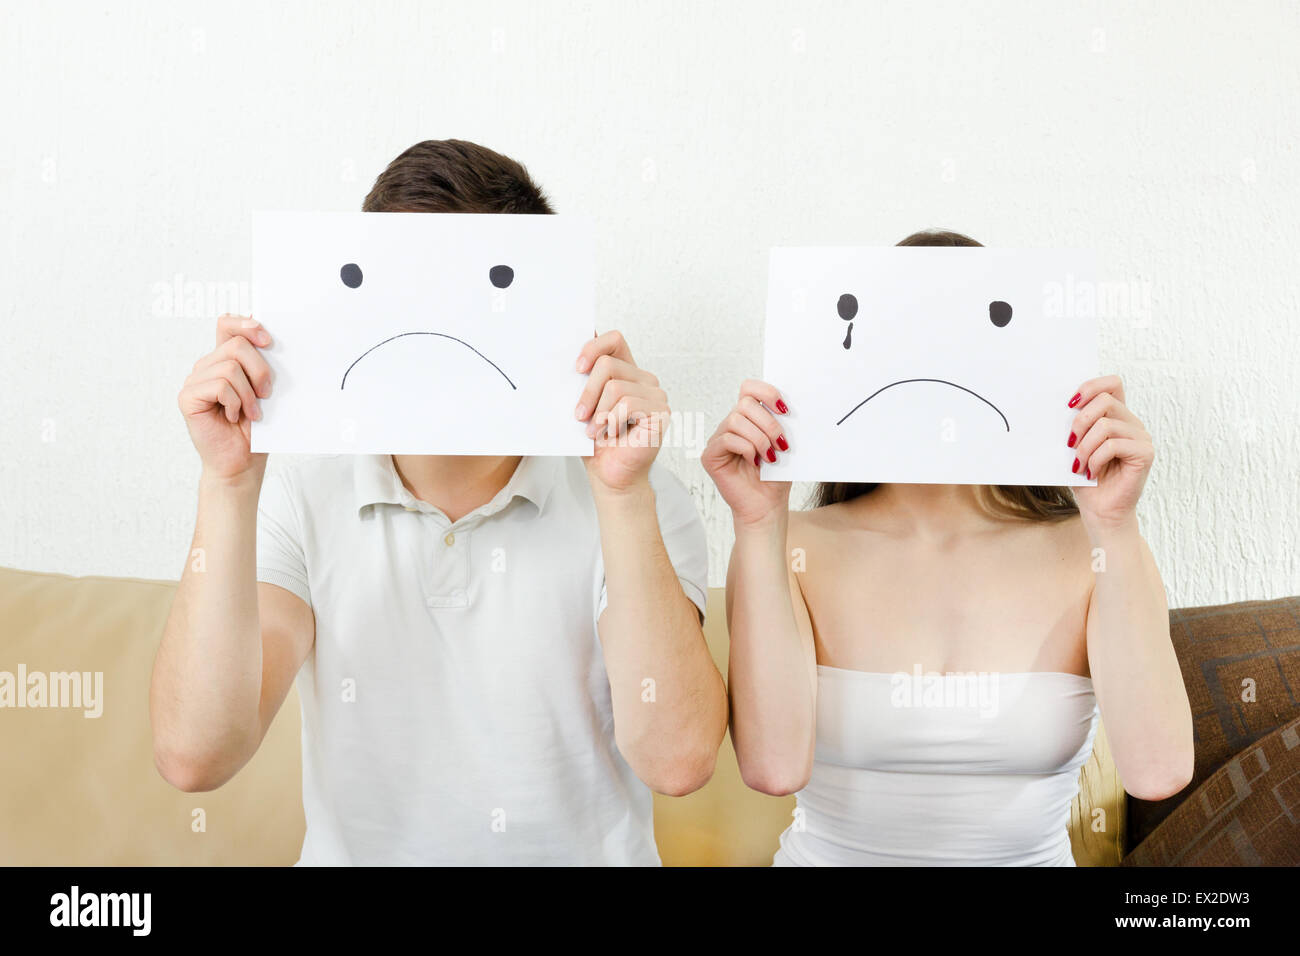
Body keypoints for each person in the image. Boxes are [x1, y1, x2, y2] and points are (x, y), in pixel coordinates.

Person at [150, 139, 727, 866]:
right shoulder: (299, 496)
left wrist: (622, 496)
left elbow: (679, 762)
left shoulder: (640, 497)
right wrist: (228, 484)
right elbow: (195, 756)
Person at [704, 229, 1193, 866]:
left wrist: (1115, 525)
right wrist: (760, 522)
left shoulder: (1092, 549)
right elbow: (771, 767)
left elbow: (1157, 771)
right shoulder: (791, 545)